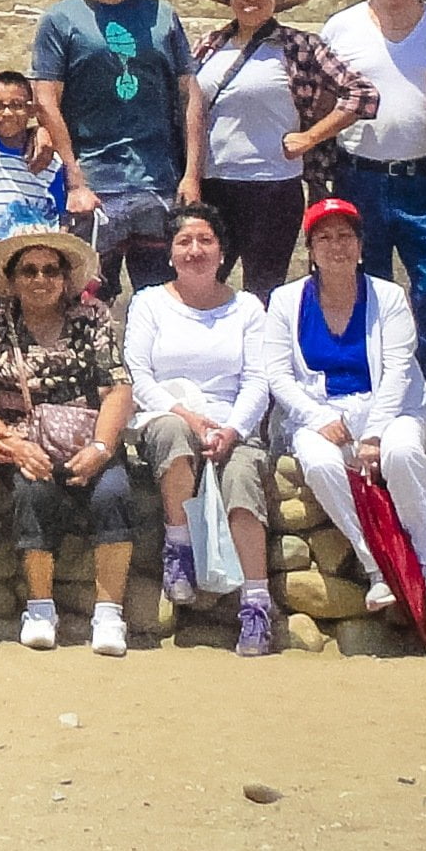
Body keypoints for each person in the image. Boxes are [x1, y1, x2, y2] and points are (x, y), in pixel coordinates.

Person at [253, 198, 426, 636]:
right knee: (321, 463)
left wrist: (375, 434)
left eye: (345, 236)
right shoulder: (286, 301)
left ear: (361, 245)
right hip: (321, 412)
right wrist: (316, 415)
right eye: (324, 238)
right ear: (311, 250)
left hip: (391, 406)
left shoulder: (390, 296)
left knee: (401, 453)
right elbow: (277, 374)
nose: (336, 246)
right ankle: (375, 566)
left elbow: (399, 369)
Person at [0, 220, 135, 654]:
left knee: (112, 492)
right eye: (30, 271)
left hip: (88, 439)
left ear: (65, 277)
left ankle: (109, 614)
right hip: (26, 443)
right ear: (14, 280)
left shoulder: (91, 319)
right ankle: (40, 607)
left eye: (50, 270)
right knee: (32, 495)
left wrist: (101, 446)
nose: (41, 280)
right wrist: (14, 445)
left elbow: (117, 389)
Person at [122, 205, 283, 658]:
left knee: (243, 478)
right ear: (171, 252)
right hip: (167, 414)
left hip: (233, 424)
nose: (195, 250)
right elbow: (138, 372)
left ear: (221, 250)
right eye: (185, 241)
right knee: (173, 433)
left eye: (205, 240)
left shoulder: (248, 307)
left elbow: (258, 379)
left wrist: (232, 429)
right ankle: (179, 549)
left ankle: (255, 604)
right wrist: (189, 418)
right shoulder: (149, 302)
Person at [318, 0, 426, 421]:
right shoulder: (341, 27)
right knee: (361, 293)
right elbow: (321, 99)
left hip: (424, 179)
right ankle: (371, 407)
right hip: (357, 179)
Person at [29, 0, 191, 299]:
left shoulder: (162, 16)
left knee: (162, 295)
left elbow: (188, 96)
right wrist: (74, 178)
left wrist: (192, 176)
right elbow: (46, 99)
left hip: (157, 179)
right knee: (88, 296)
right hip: (94, 181)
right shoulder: (61, 19)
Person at [182, 0, 369, 288]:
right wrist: (190, 175)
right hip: (212, 184)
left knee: (263, 288)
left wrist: (310, 137)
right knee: (202, 282)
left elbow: (361, 94)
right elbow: (190, 108)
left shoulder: (299, 46)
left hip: (271, 188)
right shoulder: (210, 46)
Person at [0, 69, 66, 245]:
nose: (7, 113)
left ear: (31, 110)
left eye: (17, 105)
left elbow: (62, 214)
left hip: (37, 257)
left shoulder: (49, 160)